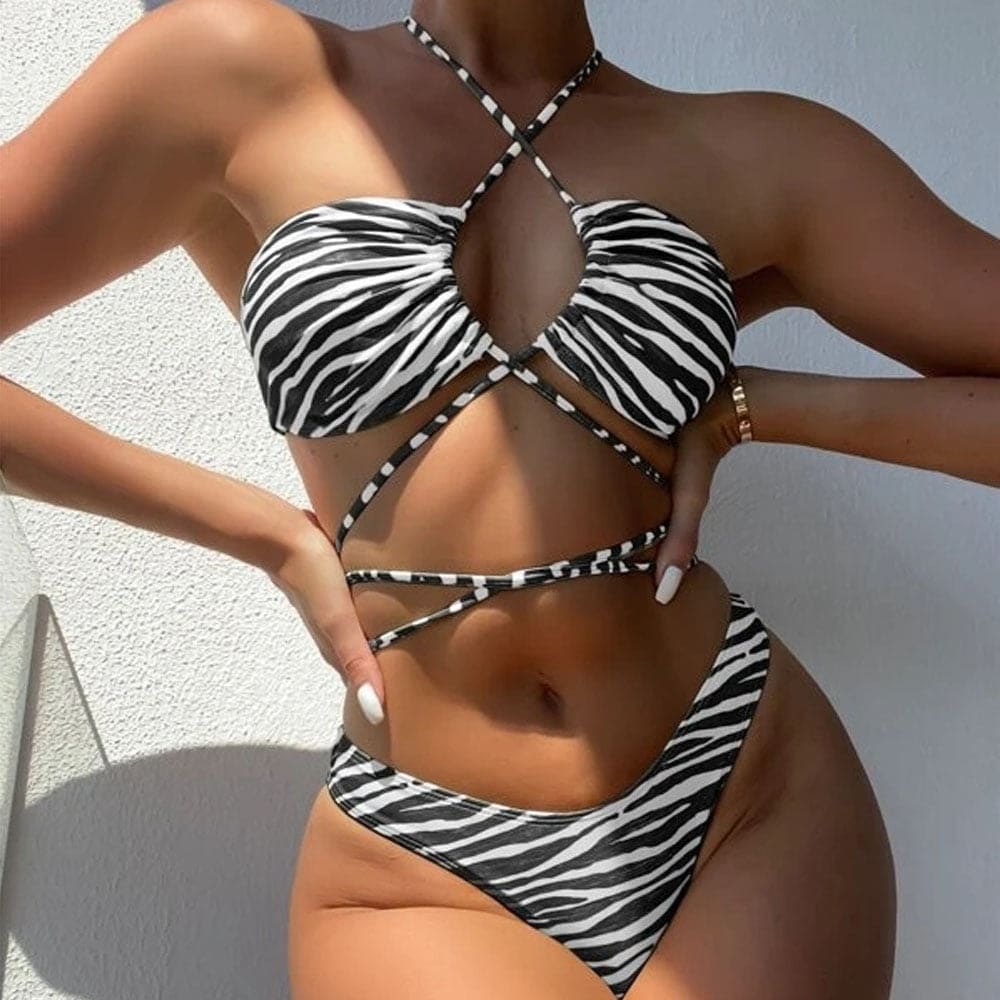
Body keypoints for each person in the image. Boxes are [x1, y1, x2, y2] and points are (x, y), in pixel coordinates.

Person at [2, 0, 997, 996]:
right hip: (422, 862)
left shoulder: (754, 148)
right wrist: (263, 533)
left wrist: (757, 406)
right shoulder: (233, 73)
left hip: (743, 794)